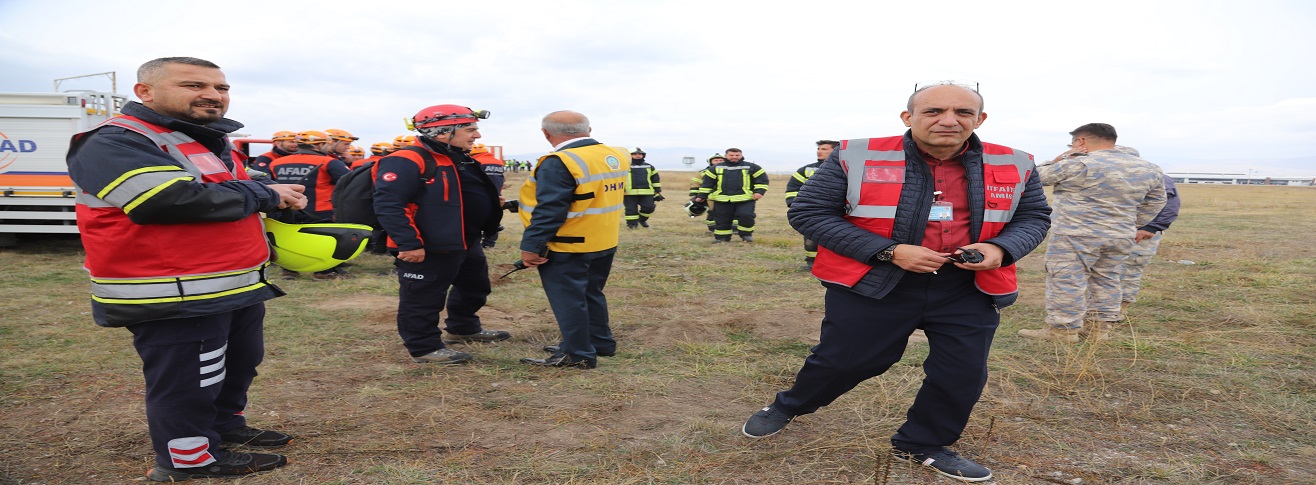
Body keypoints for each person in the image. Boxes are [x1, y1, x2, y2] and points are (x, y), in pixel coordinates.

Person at [740, 82, 1052, 483]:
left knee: (963, 371)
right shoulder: (855, 154)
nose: (948, 120)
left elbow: (1034, 218)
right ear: (908, 117)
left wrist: (1001, 249)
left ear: (980, 119)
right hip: (875, 279)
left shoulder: (1017, 162)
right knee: (848, 360)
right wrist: (889, 251)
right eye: (934, 111)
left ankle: (922, 443)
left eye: (962, 112)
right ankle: (788, 406)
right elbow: (810, 213)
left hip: (966, 286)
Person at [65, 56, 308, 482]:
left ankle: (224, 428)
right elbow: (166, 200)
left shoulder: (201, 140)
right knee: (188, 381)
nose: (213, 95)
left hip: (229, 286)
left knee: (237, 364)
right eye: (194, 85)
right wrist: (264, 193)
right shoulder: (114, 140)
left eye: (221, 87)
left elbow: (228, 195)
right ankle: (187, 461)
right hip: (170, 292)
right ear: (145, 92)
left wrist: (276, 198)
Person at [374, 104, 511, 364]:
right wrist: (409, 243)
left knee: (475, 287)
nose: (477, 136)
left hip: (465, 241)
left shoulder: (458, 155)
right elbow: (389, 204)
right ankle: (424, 347)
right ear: (442, 132)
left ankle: (463, 328)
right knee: (423, 298)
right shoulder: (406, 159)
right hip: (428, 245)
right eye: (470, 129)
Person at [1019, 124, 1166, 343]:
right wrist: (1130, 222)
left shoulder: (1078, 163)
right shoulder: (1149, 168)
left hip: (1075, 234)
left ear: (1081, 142)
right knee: (1108, 278)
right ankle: (1099, 330)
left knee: (1067, 279)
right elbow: (1157, 201)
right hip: (1120, 235)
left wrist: (1062, 157)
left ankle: (1063, 331)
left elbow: (1036, 177)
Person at [517, 111, 629, 369]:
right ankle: (599, 342)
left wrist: (531, 246)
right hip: (603, 238)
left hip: (568, 244)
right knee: (591, 293)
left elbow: (550, 209)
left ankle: (577, 354)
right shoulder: (616, 154)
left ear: (546, 133)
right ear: (588, 129)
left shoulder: (560, 161)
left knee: (569, 299)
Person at [1115, 146, 1180, 322]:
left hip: (1140, 235)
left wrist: (1150, 228)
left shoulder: (1157, 177)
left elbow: (1169, 206)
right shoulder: (1113, 177)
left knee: (1129, 271)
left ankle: (1120, 310)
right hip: (1114, 233)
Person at [785, 140, 839, 270]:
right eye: (819, 148)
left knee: (838, 238)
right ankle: (812, 262)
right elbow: (793, 188)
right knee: (811, 238)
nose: (819, 151)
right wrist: (795, 204)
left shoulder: (847, 166)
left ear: (836, 150)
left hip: (838, 210)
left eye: (824, 149)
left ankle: (835, 263)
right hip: (812, 211)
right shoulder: (806, 169)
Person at [694, 147, 768, 242]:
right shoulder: (715, 168)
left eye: (737, 155)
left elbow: (762, 180)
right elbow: (707, 184)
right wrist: (701, 196)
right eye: (731, 155)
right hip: (722, 199)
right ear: (726, 156)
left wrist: (759, 191)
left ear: (741, 155)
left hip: (745, 199)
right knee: (722, 218)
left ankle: (746, 235)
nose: (734, 157)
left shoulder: (752, 167)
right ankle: (722, 237)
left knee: (746, 216)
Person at [623, 147, 663, 229]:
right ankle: (632, 225)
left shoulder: (649, 166)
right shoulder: (624, 166)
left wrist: (657, 190)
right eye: (635, 154)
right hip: (629, 193)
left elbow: (655, 178)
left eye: (640, 154)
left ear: (643, 155)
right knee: (631, 210)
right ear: (630, 155)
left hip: (647, 192)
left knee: (649, 207)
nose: (638, 155)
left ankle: (641, 220)